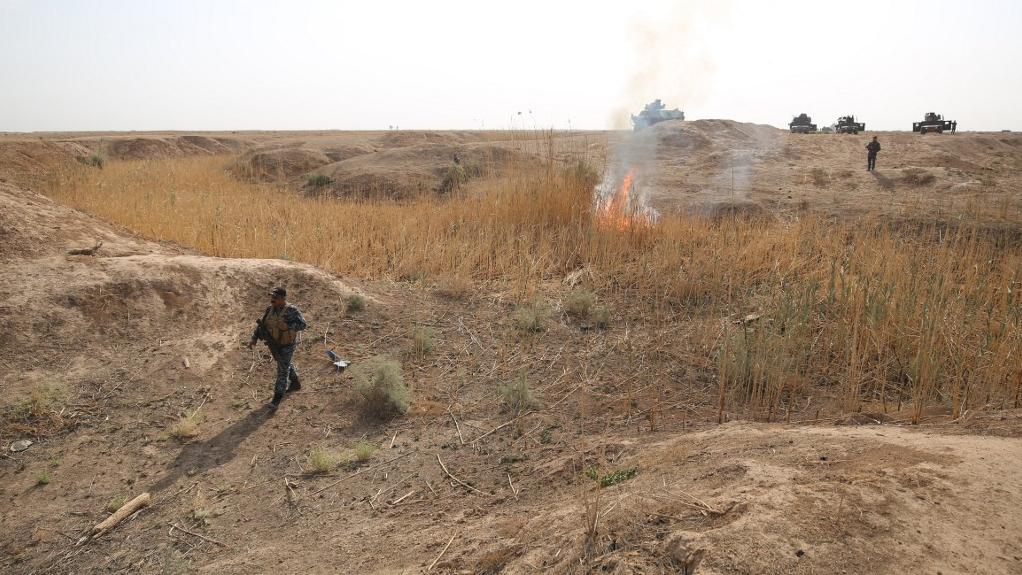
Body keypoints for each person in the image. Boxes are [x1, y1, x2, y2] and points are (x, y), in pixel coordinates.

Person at [248, 287, 307, 409]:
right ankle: (295, 383)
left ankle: (276, 399)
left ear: (283, 298)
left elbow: (303, 325)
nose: (272, 299)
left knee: (282, 371)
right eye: (272, 297)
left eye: (275, 297)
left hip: (287, 345)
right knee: (284, 364)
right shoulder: (270, 310)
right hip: (274, 344)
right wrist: (254, 338)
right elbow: (262, 326)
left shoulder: (292, 310)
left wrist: (288, 326)